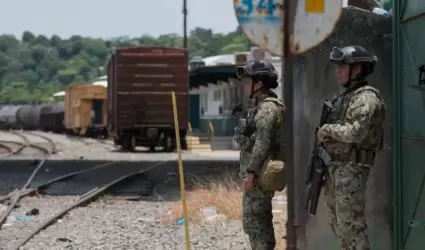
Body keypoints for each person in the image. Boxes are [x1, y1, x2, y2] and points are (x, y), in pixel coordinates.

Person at [317, 45, 386, 250]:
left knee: (352, 228)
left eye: (343, 66)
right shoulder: (346, 97)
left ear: (357, 70)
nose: (337, 70)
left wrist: (327, 129)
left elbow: (356, 132)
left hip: (351, 169)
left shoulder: (366, 98)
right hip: (337, 168)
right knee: (339, 225)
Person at [233, 59, 285, 250]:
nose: (245, 86)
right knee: (255, 224)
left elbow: (262, 144)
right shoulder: (260, 106)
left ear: (259, 83)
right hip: (259, 175)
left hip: (260, 176)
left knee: (257, 224)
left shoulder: (267, 109)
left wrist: (251, 173)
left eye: (248, 81)